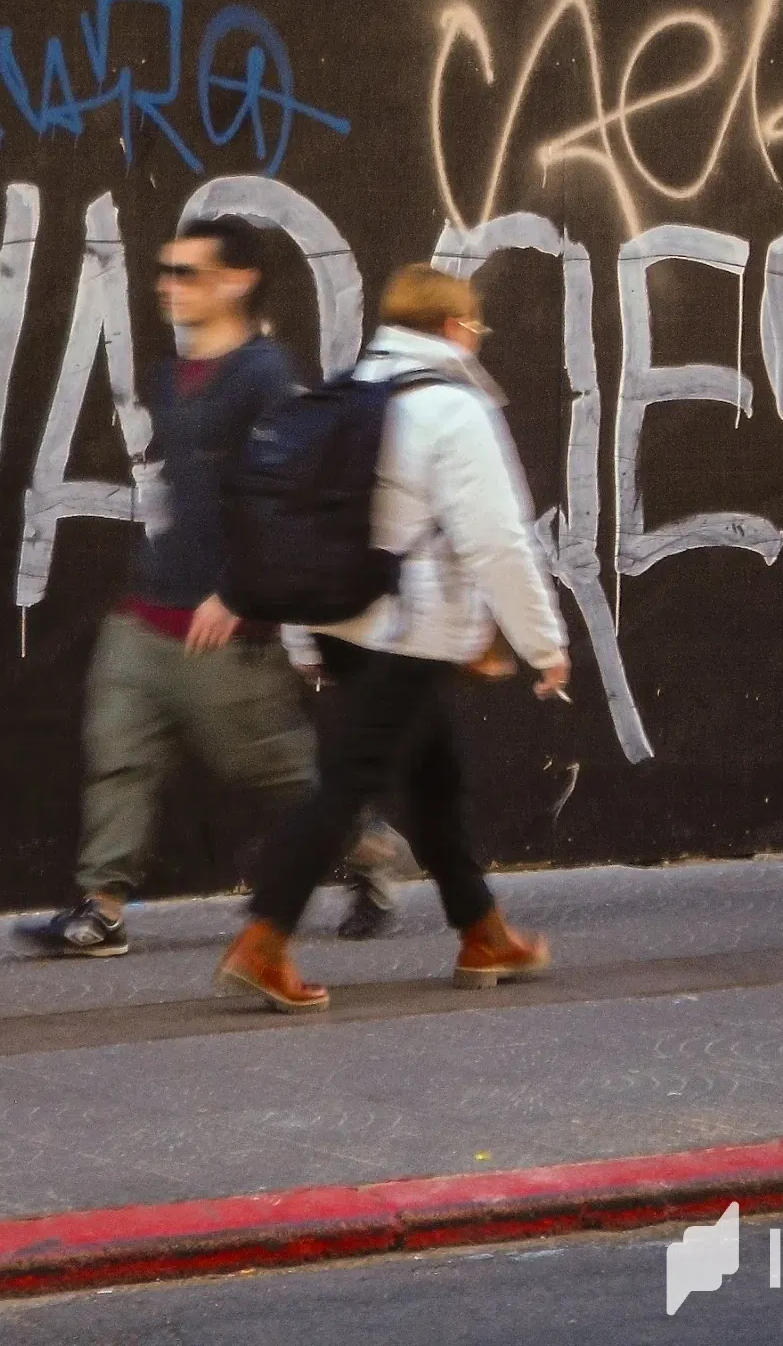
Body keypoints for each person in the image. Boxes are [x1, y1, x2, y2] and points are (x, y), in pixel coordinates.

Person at [16, 216, 389, 955]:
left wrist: (241, 594)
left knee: (271, 770)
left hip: (221, 625)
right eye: (164, 270)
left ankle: (366, 845)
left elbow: (289, 506)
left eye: (185, 273)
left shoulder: (267, 378)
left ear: (237, 281)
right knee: (118, 754)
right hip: (145, 614)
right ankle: (102, 910)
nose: (166, 285)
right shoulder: (169, 373)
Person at [216, 262, 571, 1010]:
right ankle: (263, 939)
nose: (478, 341)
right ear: (453, 328)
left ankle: (482, 932)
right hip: (406, 632)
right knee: (344, 790)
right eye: (476, 328)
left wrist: (305, 640)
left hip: (344, 621)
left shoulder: (346, 393)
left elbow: (308, 525)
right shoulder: (453, 408)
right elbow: (496, 540)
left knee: (435, 784)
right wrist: (542, 643)